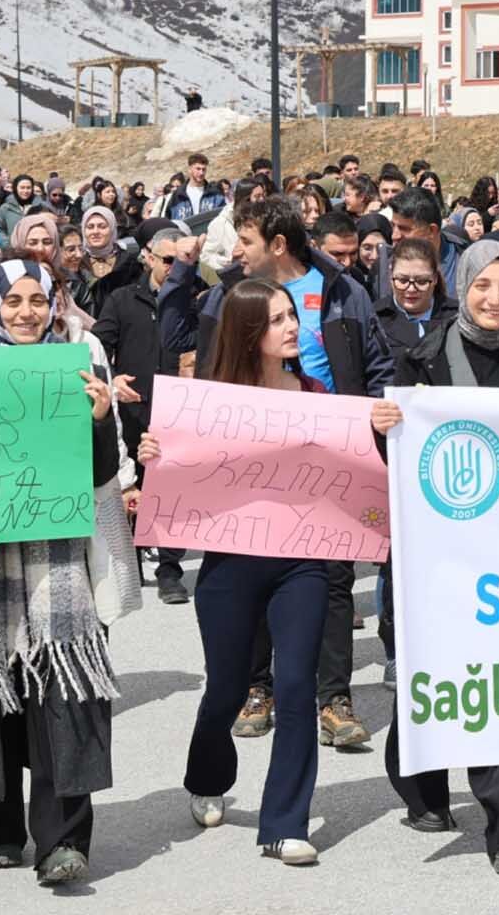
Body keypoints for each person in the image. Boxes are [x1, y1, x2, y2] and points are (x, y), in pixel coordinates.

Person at [146, 279, 382, 867]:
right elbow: (180, 465)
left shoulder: (315, 392)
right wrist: (156, 454)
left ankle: (285, 822)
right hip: (229, 566)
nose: (291, 327)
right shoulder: (211, 402)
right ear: (250, 333)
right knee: (226, 688)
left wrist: (376, 422)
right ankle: (207, 775)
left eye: (290, 315)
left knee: (298, 686)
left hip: (300, 562)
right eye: (276, 319)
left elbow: (349, 458)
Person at [0, 258, 134, 886]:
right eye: (12, 300)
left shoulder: (76, 370)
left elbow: (101, 475)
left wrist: (100, 418)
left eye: (36, 301)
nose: (25, 312)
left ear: (52, 305)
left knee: (63, 695)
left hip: (59, 565)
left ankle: (63, 841)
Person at [162, 196, 389, 747]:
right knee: (256, 565)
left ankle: (334, 697)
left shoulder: (342, 292)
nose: (237, 251)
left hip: (330, 453)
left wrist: (371, 423)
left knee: (334, 578)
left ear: (278, 245)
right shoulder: (226, 295)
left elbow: (376, 363)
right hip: (250, 455)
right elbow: (195, 361)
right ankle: (257, 688)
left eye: (247, 241)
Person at [380, 240, 499, 874]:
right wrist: (384, 426)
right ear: (463, 286)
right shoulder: (419, 362)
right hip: (440, 554)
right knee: (439, 670)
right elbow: (393, 465)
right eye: (484, 286)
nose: (496, 298)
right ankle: (421, 783)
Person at [93, 221, 191, 602]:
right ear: (149, 257)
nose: (173, 267)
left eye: (181, 260)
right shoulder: (122, 300)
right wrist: (114, 379)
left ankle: (170, 571)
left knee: (173, 493)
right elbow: (98, 346)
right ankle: (130, 560)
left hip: (179, 412)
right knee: (134, 489)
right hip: (134, 412)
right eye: (168, 259)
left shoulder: (192, 299)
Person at [375, 239, 453, 358]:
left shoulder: (455, 317)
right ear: (391, 276)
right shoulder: (375, 318)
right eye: (402, 280)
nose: (411, 289)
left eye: (421, 281)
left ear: (435, 279)